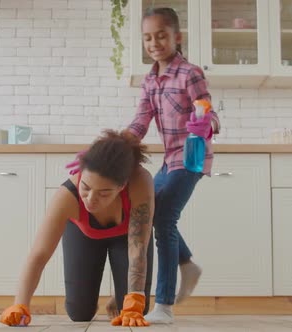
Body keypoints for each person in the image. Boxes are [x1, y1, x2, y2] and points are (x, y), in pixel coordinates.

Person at [67, 7, 221, 324]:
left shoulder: (190, 73)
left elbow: (212, 116)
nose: (154, 43)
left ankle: (163, 305)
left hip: (191, 157)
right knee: (153, 215)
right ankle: (188, 265)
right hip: (169, 159)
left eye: (161, 35)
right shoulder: (150, 80)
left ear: (176, 38)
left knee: (163, 220)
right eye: (148, 37)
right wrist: (103, 149)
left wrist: (204, 120)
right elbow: (140, 123)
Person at [0, 130, 155, 328]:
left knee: (138, 311)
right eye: (86, 187)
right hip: (84, 236)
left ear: (122, 186)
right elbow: (38, 255)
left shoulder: (140, 182)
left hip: (129, 239)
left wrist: (133, 303)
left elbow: (138, 248)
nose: (90, 200)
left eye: (104, 193)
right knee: (79, 313)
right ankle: (116, 293)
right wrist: (20, 305)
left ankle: (120, 295)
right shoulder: (67, 196)